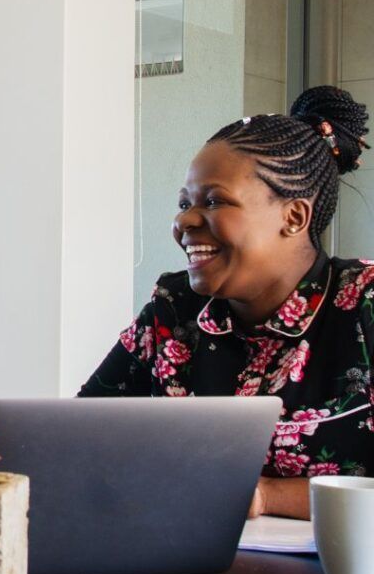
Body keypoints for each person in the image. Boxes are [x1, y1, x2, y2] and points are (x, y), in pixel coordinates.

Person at [81, 86, 374, 521]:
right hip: (181, 568)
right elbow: (78, 442)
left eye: (214, 201)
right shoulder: (173, 308)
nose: (184, 221)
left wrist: (267, 497)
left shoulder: (363, 303)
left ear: (293, 217)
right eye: (184, 203)